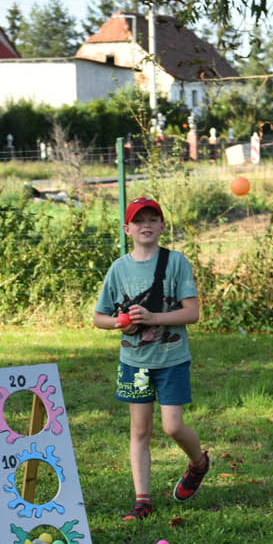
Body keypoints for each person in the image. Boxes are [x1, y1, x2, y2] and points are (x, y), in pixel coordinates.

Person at [92, 197, 210, 520]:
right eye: (138, 220)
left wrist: (153, 317)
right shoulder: (119, 269)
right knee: (140, 430)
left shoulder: (176, 263)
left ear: (161, 226)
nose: (146, 225)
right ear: (127, 228)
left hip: (172, 359)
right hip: (135, 362)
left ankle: (199, 464)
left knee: (172, 427)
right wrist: (119, 322)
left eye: (152, 219)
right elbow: (99, 317)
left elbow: (193, 312)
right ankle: (142, 500)